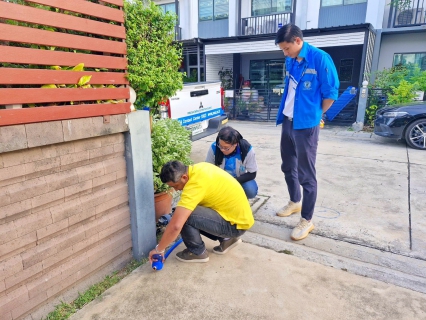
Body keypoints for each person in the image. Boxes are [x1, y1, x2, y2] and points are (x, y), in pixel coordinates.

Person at [275, 24, 339, 241]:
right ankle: (294, 201)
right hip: (288, 120)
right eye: (283, 50)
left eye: (286, 48)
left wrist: (315, 114)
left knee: (306, 174)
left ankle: (307, 220)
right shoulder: (291, 60)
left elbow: (331, 92)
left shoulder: (320, 58)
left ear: (298, 41)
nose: (285, 53)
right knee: (287, 165)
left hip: (306, 125)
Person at [148, 160, 254, 264]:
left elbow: (176, 226)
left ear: (184, 177)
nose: (176, 190)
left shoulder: (194, 185)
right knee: (185, 211)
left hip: (234, 225)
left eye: (175, 186)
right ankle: (227, 239)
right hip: (237, 219)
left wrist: (159, 249)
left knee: (184, 216)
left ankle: (197, 252)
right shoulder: (200, 168)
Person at [205, 126, 258, 199]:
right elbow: (208, 168)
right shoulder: (214, 147)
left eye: (226, 148)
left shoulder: (247, 149)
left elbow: (252, 174)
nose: (222, 149)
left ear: (235, 144)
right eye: (220, 146)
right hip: (220, 179)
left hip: (238, 179)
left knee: (250, 190)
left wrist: (233, 181)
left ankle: (241, 199)